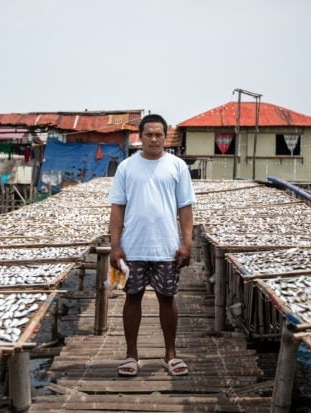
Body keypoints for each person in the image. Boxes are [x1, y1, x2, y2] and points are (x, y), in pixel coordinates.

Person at [108, 114, 196, 377]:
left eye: (159, 134)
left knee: (167, 299)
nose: (154, 139)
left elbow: (185, 207)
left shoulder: (178, 166)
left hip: (167, 247)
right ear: (140, 136)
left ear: (165, 136)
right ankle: (131, 354)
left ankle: (171, 354)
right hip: (132, 247)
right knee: (131, 299)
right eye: (149, 134)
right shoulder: (126, 167)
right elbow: (117, 208)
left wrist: (187, 243)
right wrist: (115, 245)